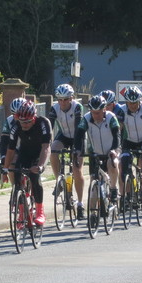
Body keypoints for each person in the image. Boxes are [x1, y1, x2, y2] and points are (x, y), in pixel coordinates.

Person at [3, 100, 52, 225]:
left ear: (34, 118)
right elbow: (10, 150)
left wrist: (40, 166)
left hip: (39, 153)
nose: (24, 125)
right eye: (22, 122)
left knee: (35, 176)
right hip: (24, 153)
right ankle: (22, 213)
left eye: (28, 122)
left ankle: (40, 212)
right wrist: (5, 169)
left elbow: (46, 147)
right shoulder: (16, 127)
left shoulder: (43, 123)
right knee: (17, 176)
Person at [48, 83, 86, 220]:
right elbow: (49, 127)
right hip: (64, 135)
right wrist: (46, 143)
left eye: (66, 99)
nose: (63, 102)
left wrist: (76, 150)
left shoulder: (77, 107)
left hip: (78, 136)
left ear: (71, 98)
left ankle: (80, 204)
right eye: (60, 99)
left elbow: (78, 128)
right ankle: (59, 181)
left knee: (77, 169)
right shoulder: (54, 108)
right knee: (53, 151)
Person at [75, 93, 121, 204]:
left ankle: (113, 189)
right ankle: (93, 212)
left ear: (104, 109)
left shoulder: (111, 117)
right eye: (93, 112)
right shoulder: (86, 118)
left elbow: (117, 135)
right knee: (94, 188)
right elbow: (79, 135)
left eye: (98, 112)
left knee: (112, 163)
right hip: (95, 153)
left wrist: (114, 150)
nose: (96, 115)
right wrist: (77, 150)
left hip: (111, 150)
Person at [118, 86, 142, 202]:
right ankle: (128, 194)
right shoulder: (122, 110)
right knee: (124, 165)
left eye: (135, 103)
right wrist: (117, 147)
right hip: (129, 141)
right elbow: (118, 131)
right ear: (126, 102)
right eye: (130, 103)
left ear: (140, 101)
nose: (133, 105)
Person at [0, 97, 28, 184]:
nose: (16, 117)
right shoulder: (9, 120)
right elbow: (4, 141)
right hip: (16, 147)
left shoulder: (30, 120)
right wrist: (3, 157)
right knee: (11, 162)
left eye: (18, 114)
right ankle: (15, 187)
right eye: (14, 114)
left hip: (30, 147)